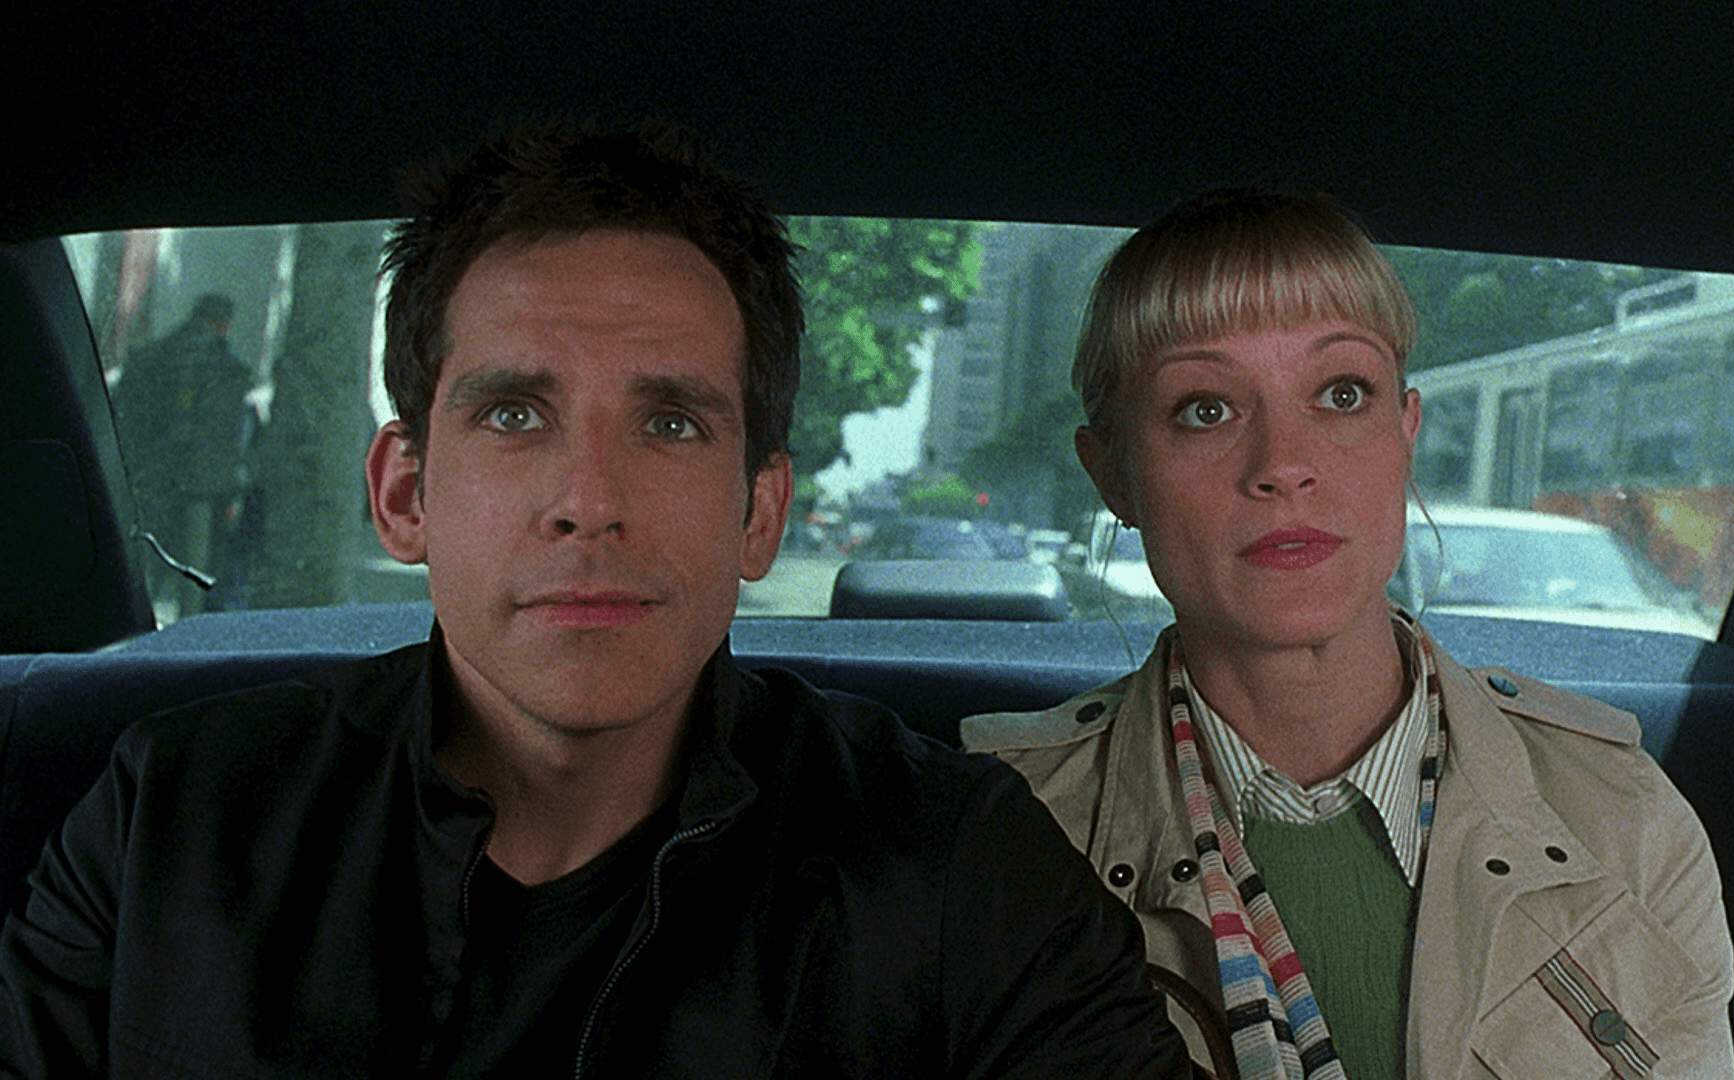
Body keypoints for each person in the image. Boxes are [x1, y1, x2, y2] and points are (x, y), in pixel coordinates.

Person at [0, 122, 1189, 1077]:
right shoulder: (167, 822)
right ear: (405, 493)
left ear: (759, 514)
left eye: (669, 423)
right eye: (515, 413)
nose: (589, 501)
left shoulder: (959, 869)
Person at [963, 188, 1734, 1079]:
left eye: (1341, 394)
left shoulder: (1624, 819)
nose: (1284, 464)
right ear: (1112, 475)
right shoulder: (995, 840)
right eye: (1205, 409)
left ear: (1405, 433)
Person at [110, 292, 254, 618]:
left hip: (152, 479)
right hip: (201, 488)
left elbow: (125, 418)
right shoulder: (227, 367)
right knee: (194, 579)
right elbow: (230, 435)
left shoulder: (151, 355)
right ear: (225, 324)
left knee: (145, 571)